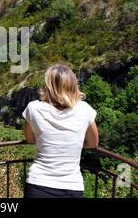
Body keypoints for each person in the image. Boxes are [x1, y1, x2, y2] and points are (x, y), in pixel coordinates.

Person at [22, 64, 99, 198]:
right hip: (71, 186)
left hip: (38, 184)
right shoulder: (85, 110)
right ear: (73, 85)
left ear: (48, 85)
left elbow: (30, 139)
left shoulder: (33, 108)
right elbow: (93, 143)